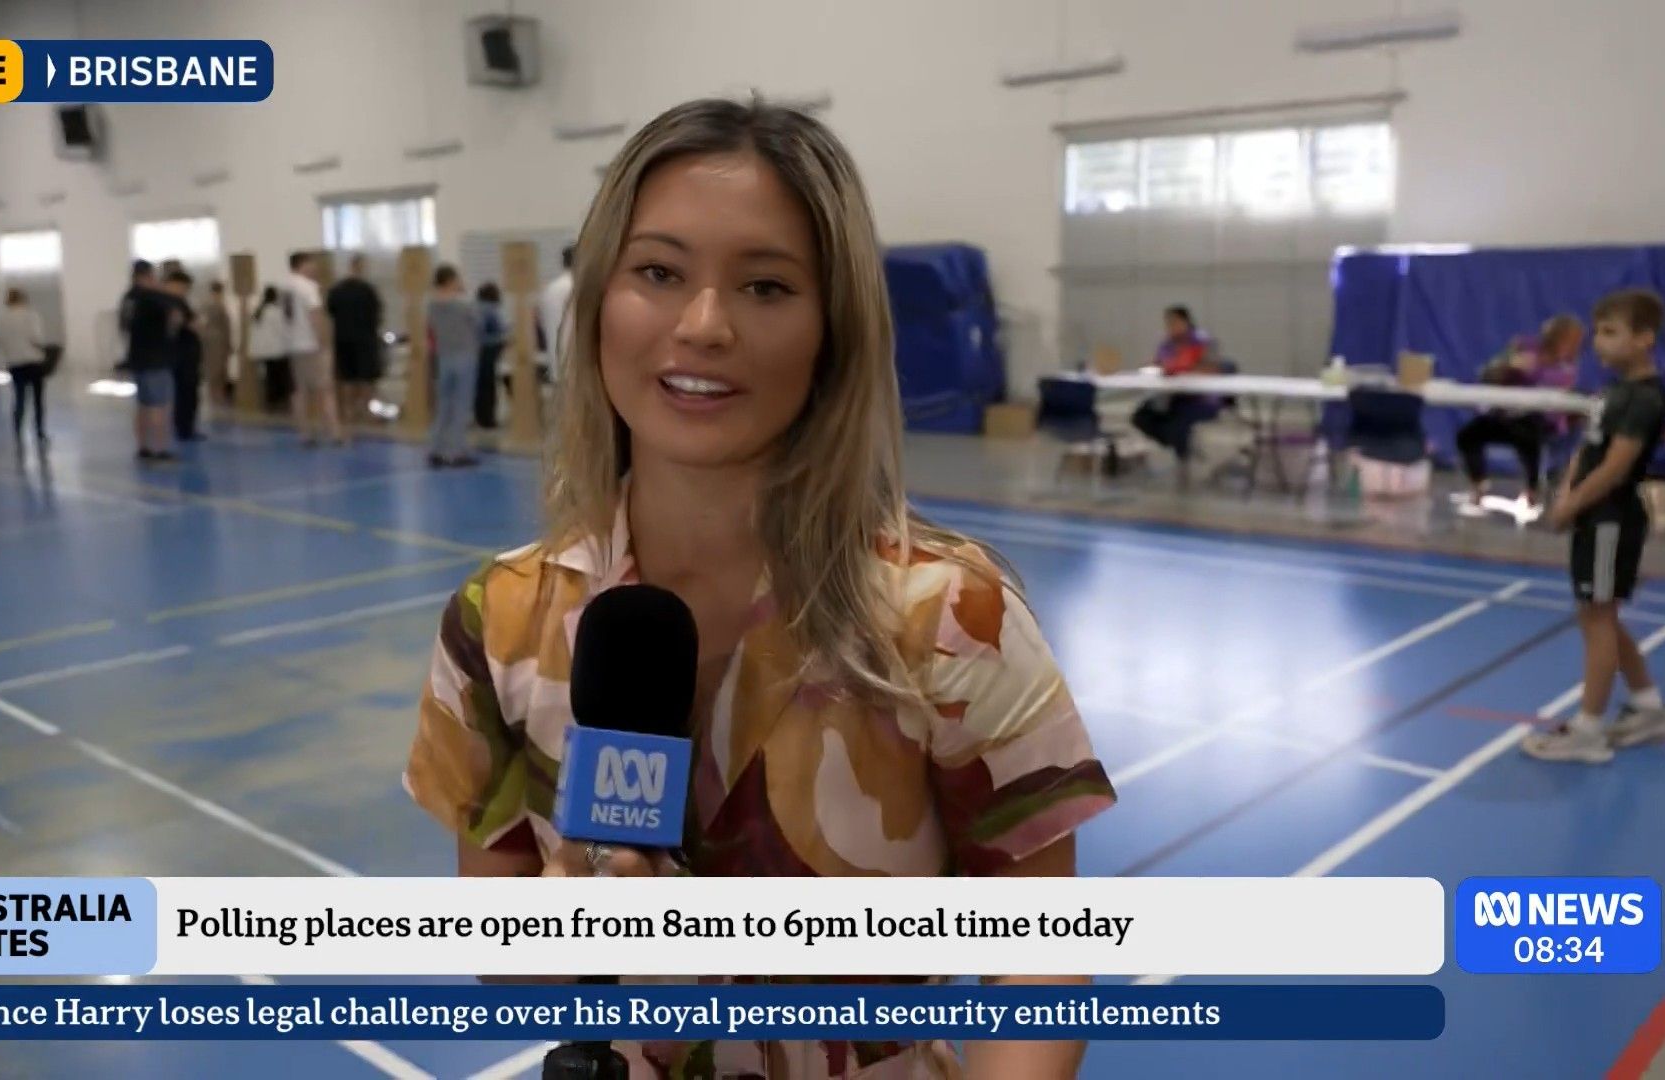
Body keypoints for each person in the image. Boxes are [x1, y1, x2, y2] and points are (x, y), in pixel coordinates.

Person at [403, 98, 1114, 1078]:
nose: (703, 326)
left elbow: (1039, 961)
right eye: (659, 273)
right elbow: (500, 957)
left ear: (833, 332)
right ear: (598, 300)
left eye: (766, 286)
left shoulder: (951, 617)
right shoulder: (497, 623)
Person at [1525, 289, 1665, 763]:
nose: (1598, 342)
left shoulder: (1645, 398)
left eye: (1611, 332)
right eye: (1598, 332)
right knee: (1597, 614)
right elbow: (1586, 452)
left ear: (1644, 339)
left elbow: (1614, 467)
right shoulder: (1612, 392)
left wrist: (1571, 506)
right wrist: (1565, 495)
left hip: (1612, 518)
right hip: (1592, 515)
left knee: (1598, 618)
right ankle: (1648, 706)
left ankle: (1588, 729)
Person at [1455, 314, 1584, 508]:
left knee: (1528, 437)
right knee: (1468, 435)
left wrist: (1531, 370)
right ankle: (1478, 484)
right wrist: (1506, 365)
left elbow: (1554, 391)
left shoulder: (1567, 367)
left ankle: (1532, 491)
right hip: (1503, 414)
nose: (1572, 345)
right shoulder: (1524, 346)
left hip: (1539, 421)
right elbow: (1488, 374)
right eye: (1568, 339)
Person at [1130, 304, 1220, 465]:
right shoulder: (1167, 344)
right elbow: (1158, 364)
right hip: (1170, 396)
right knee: (1142, 417)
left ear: (1186, 322)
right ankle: (1180, 444)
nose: (1171, 326)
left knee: (1178, 421)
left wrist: (1186, 370)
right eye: (1168, 323)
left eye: (1175, 322)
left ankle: (1183, 457)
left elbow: (1211, 368)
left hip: (1199, 398)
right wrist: (1154, 368)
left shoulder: (1203, 341)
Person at [118, 259, 175, 461]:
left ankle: (143, 447)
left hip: (137, 357)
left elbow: (123, 326)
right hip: (155, 358)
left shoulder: (128, 298)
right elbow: (174, 317)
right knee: (160, 406)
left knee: (143, 405)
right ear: (147, 276)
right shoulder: (153, 297)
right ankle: (161, 449)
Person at [424, 265, 479, 468]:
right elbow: (477, 323)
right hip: (465, 356)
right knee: (461, 405)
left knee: (444, 405)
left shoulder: (431, 305)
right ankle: (456, 451)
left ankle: (436, 448)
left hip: (444, 357)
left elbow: (431, 327)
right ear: (450, 280)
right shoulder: (463, 303)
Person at [285, 250, 342, 446]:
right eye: (311, 263)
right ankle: (334, 432)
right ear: (303, 264)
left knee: (300, 390)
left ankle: (305, 433)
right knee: (325, 389)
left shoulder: (285, 286)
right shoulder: (308, 287)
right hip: (311, 343)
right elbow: (315, 315)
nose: (315, 267)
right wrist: (324, 341)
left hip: (293, 344)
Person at [326, 255, 383, 426]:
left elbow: (330, 312)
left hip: (342, 339)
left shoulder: (337, 290)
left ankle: (348, 411)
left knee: (347, 378)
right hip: (365, 338)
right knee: (366, 378)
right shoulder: (368, 290)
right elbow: (377, 314)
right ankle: (365, 411)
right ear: (361, 267)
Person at [0, 288, 51, 447]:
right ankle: (39, 431)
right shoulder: (30, 316)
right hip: (33, 362)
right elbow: (37, 338)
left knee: (19, 398)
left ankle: (17, 432)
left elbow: (0, 341)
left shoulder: (3, 319)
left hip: (15, 363)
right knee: (38, 400)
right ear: (23, 299)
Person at [163, 271, 205, 442]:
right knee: (185, 393)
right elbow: (186, 323)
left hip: (187, 353)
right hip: (181, 355)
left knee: (188, 392)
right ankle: (184, 428)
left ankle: (186, 426)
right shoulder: (169, 302)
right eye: (183, 287)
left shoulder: (179, 301)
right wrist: (194, 324)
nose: (185, 290)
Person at [248, 285, 294, 412]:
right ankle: (279, 400)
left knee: (269, 375)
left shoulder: (259, 311)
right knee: (279, 376)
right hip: (276, 350)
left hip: (263, 351)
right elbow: (283, 331)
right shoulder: (275, 312)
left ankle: (270, 400)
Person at [472, 281, 508, 431]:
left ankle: (480, 417)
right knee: (489, 386)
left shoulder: (474, 308)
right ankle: (488, 420)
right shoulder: (491, 310)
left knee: (479, 387)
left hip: (474, 352)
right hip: (488, 351)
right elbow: (499, 330)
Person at [536, 243, 574, 376]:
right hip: (576, 362)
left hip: (556, 361)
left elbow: (541, 322)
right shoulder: (576, 287)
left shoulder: (550, 289)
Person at [198, 280, 235, 408]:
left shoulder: (208, 304)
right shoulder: (216, 305)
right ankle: (216, 395)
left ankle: (216, 394)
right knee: (217, 369)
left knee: (217, 369)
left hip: (212, 340)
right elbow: (225, 326)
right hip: (217, 340)